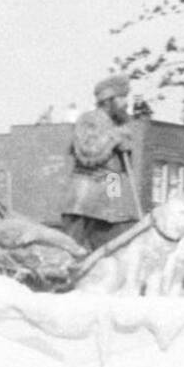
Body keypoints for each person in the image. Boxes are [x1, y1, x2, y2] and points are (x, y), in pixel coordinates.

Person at [61, 75, 141, 252]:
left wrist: (126, 150)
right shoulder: (89, 119)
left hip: (108, 205)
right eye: (122, 98)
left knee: (113, 256)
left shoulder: (117, 126)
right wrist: (115, 137)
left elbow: (115, 173)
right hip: (84, 201)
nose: (125, 103)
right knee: (69, 252)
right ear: (108, 100)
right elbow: (87, 152)